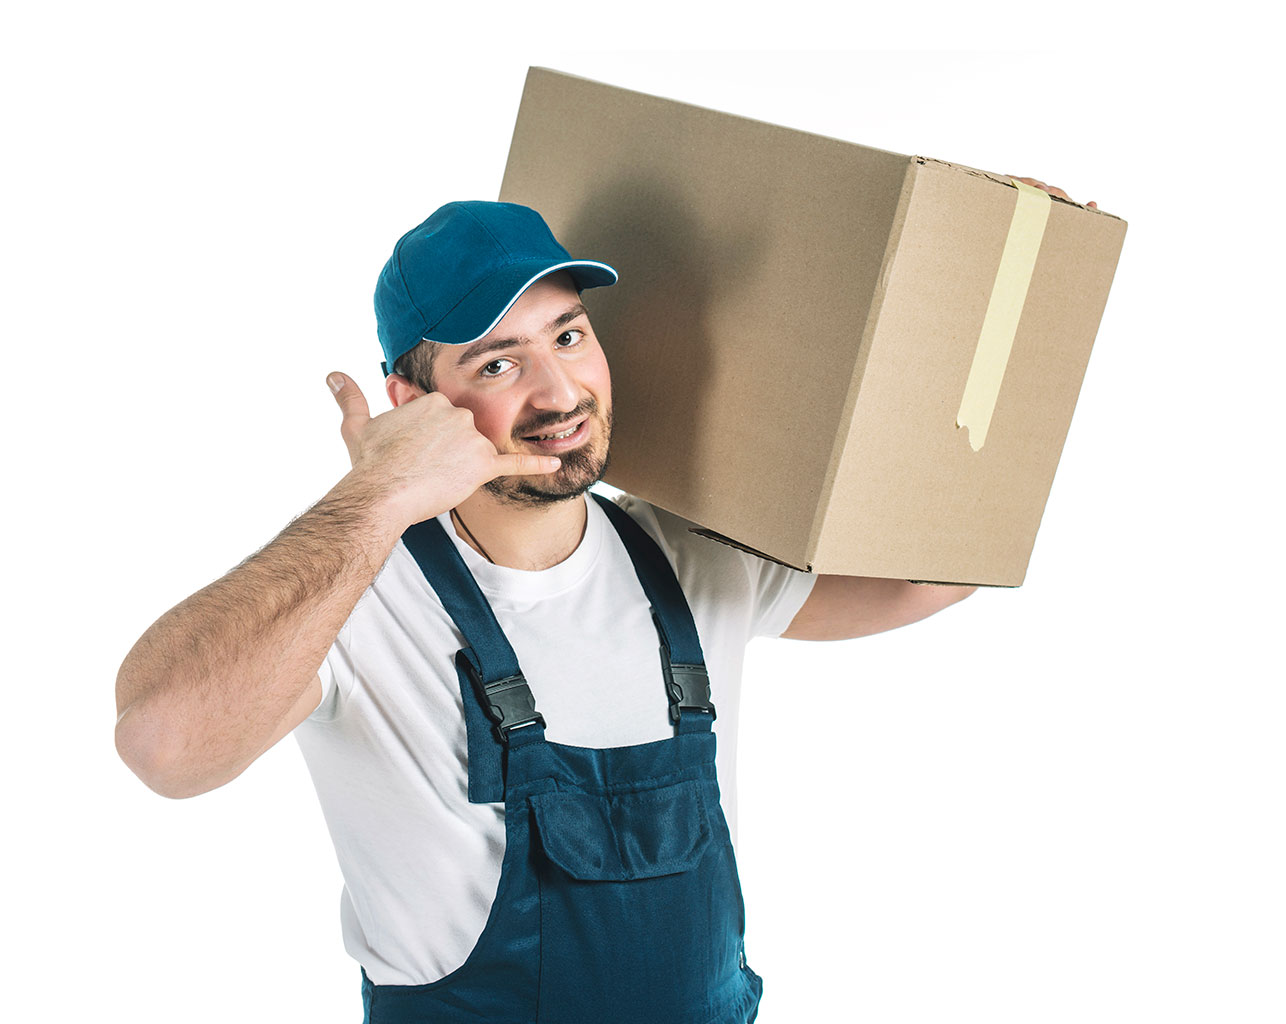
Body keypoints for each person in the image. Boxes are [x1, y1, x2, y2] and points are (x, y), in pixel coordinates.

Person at [112, 200, 988, 1023]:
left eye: (568, 336)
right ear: (415, 408)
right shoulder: (351, 602)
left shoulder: (688, 557)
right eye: (498, 363)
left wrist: (994, 278)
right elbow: (163, 746)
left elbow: (938, 573)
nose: (560, 393)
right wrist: (376, 496)